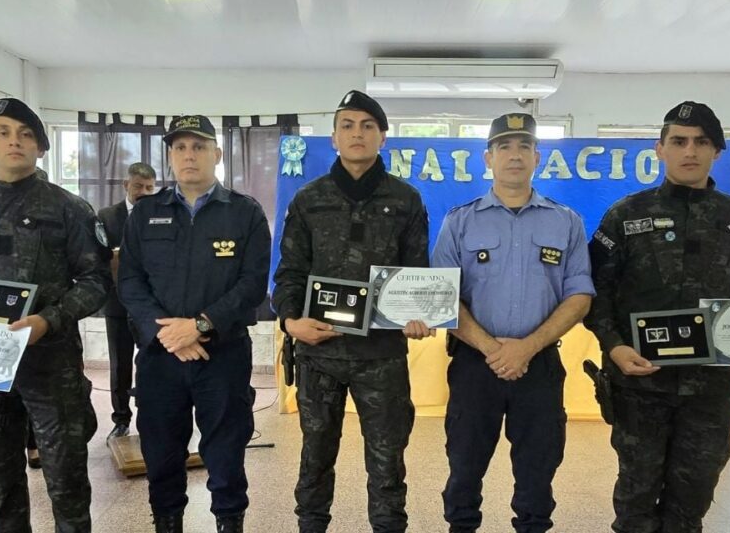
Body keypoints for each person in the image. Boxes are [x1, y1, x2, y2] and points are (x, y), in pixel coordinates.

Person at [585, 101, 730, 533]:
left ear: (716, 152)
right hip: (639, 384)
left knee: (690, 503)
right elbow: (597, 294)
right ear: (660, 148)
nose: (689, 151)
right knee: (635, 501)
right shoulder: (625, 215)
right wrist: (614, 347)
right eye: (679, 141)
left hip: (709, 391)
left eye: (701, 142)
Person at [0, 97, 108, 533]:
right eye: (3, 132)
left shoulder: (70, 209)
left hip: (50, 361)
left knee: (66, 478)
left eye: (26, 134)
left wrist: (47, 320)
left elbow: (95, 282)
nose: (14, 141)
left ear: (39, 147)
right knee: (0, 479)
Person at [272, 90, 430, 533]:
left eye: (367, 126)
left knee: (387, 466)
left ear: (383, 137)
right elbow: (288, 274)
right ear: (334, 137)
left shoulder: (406, 200)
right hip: (318, 356)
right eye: (347, 125)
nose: (357, 134)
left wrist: (419, 315)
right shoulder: (308, 199)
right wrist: (290, 322)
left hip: (381, 358)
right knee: (315, 460)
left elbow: (417, 273)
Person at [430, 113, 595, 533]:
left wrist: (527, 347)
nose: (514, 155)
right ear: (488, 158)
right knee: (464, 470)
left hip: (538, 366)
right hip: (474, 367)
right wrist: (492, 348)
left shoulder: (566, 221)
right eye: (504, 147)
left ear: (538, 157)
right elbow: (443, 296)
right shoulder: (460, 220)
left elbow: (580, 296)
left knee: (537, 476)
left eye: (524, 146)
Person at [119, 115, 270, 533]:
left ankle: (228, 522)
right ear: (169, 156)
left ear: (217, 155)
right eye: (181, 147)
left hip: (222, 356)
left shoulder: (244, 213)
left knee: (225, 453)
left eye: (199, 147)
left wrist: (200, 326)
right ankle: (167, 523)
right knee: (162, 453)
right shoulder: (145, 214)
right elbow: (129, 282)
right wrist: (168, 334)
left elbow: (253, 284)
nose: (189, 155)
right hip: (160, 357)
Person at [96, 161, 157, 440]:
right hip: (118, 304)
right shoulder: (106, 216)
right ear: (125, 185)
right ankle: (121, 419)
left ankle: (150, 415)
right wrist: (114, 258)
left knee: (151, 362)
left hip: (151, 305)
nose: (143, 192)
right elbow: (96, 257)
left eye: (149, 187)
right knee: (120, 364)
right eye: (138, 187)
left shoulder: (160, 213)